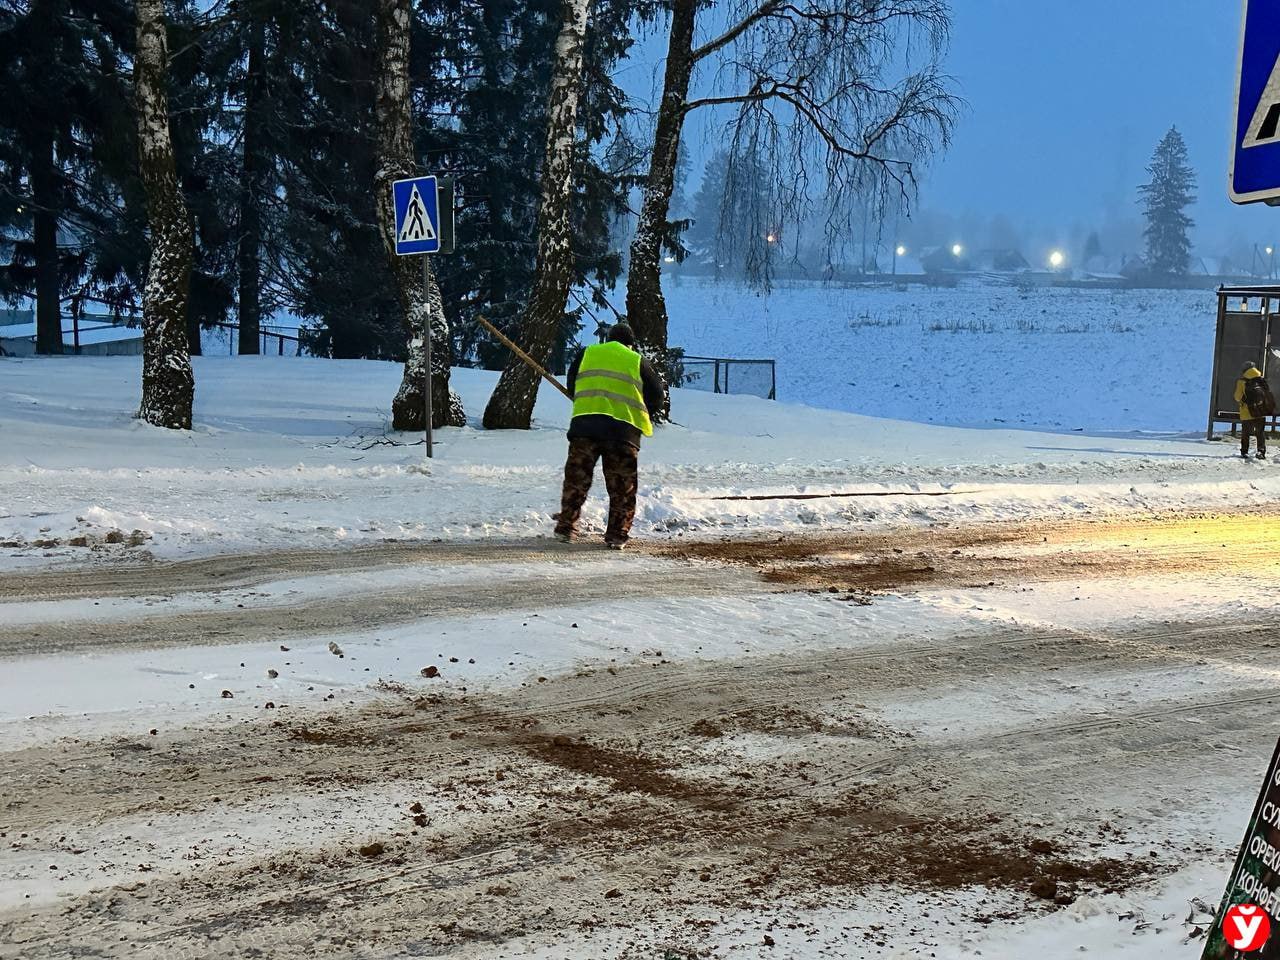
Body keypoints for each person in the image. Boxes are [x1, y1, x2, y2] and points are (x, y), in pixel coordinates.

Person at [554, 322, 664, 549]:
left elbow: (572, 383)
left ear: (607, 339)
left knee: (577, 479)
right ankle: (617, 534)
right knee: (622, 487)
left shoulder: (587, 353)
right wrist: (642, 412)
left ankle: (567, 526)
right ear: (630, 344)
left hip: (585, 428)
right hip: (622, 433)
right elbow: (657, 396)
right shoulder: (636, 360)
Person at [1235, 360, 1270, 460]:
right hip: (1260, 411)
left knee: (1246, 433)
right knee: (1260, 432)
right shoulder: (1261, 380)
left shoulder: (1241, 381)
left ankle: (1244, 452)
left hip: (1247, 412)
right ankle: (1261, 451)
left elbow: (1237, 397)